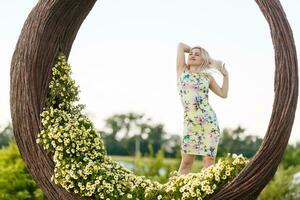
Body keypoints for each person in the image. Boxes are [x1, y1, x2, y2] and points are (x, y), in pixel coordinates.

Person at [176, 42, 228, 175]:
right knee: (186, 163)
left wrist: (225, 76)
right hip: (191, 123)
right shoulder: (182, 71)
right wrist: (205, 57)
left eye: (197, 54)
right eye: (191, 54)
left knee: (209, 162)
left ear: (203, 59)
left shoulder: (207, 77)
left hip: (209, 122)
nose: (192, 55)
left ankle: (208, 195)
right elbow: (181, 46)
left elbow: (223, 94)